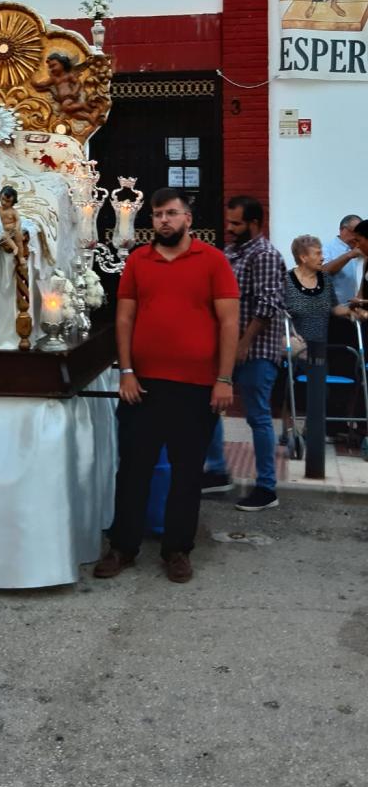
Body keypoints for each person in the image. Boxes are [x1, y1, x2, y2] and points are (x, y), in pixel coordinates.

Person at [93, 188, 239, 585]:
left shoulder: (213, 261)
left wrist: (223, 379)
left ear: (188, 218)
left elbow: (229, 322)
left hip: (196, 388)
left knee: (186, 473)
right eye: (158, 214)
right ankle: (123, 546)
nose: (164, 221)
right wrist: (126, 371)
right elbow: (124, 319)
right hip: (143, 387)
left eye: (172, 213)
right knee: (134, 470)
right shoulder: (139, 260)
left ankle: (177, 550)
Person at [203, 196, 286, 511]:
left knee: (258, 416)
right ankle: (217, 471)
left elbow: (268, 304)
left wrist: (243, 343)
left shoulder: (264, 254)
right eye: (229, 222)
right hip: (228, 348)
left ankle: (267, 488)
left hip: (256, 350)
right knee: (211, 406)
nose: (230, 228)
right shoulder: (232, 252)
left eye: (236, 223)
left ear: (254, 223)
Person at [284, 235, 363, 343]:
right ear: (303, 257)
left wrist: (350, 312)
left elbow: (334, 307)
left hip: (323, 347)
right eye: (317, 253)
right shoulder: (286, 281)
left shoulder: (325, 279)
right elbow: (279, 315)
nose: (322, 258)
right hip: (295, 347)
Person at [322, 214, 363, 306]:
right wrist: (349, 255)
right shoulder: (327, 248)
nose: (356, 237)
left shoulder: (363, 248)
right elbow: (323, 271)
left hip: (360, 307)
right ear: (342, 230)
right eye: (354, 232)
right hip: (337, 309)